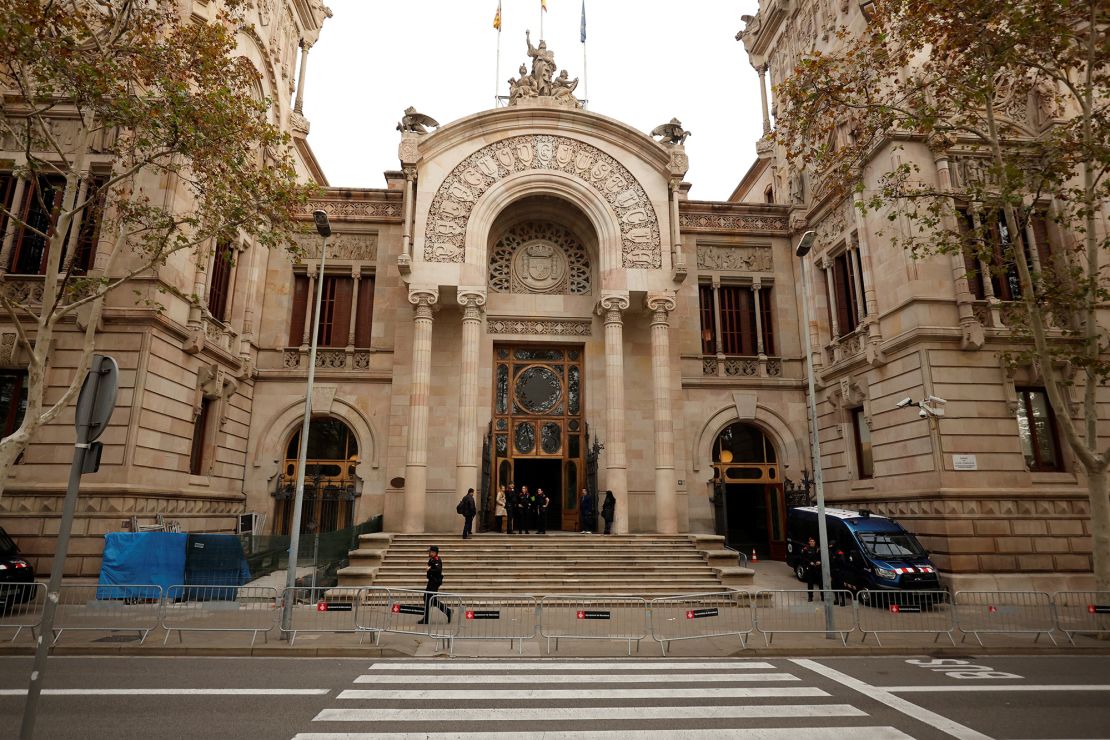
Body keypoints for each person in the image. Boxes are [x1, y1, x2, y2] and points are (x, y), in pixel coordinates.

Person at [417, 545, 451, 624]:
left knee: (428, 599)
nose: (429, 553)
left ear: (434, 552)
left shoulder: (437, 559)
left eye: (430, 551)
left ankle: (426, 619)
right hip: (431, 582)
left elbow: (438, 570)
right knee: (430, 599)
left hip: (434, 583)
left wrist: (430, 569)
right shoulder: (432, 559)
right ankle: (448, 611)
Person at [801, 536, 823, 602]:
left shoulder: (818, 548)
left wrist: (820, 561)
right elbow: (803, 559)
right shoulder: (806, 549)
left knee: (821, 583)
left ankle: (823, 596)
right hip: (810, 568)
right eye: (811, 541)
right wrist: (809, 562)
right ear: (809, 542)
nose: (812, 542)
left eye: (813, 541)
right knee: (810, 584)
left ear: (815, 542)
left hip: (818, 568)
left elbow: (823, 557)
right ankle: (810, 597)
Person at [829, 542, 848, 606]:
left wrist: (836, 558)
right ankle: (836, 599)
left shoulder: (839, 552)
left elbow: (843, 561)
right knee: (834, 586)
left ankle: (843, 601)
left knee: (841, 587)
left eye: (831, 545)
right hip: (833, 572)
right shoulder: (831, 552)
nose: (830, 546)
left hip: (840, 572)